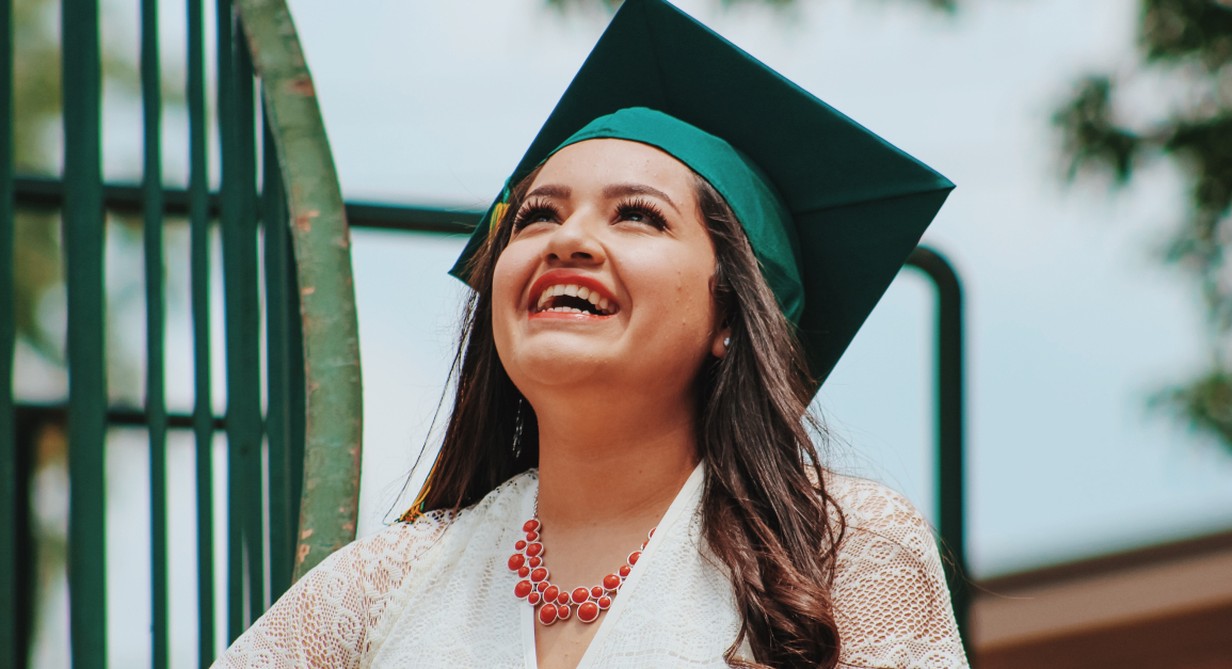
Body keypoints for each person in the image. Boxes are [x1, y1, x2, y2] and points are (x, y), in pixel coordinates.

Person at [214, 0, 967, 667]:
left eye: (637, 215)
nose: (566, 239)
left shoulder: (840, 556)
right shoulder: (383, 588)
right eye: (538, 215)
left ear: (732, 315)